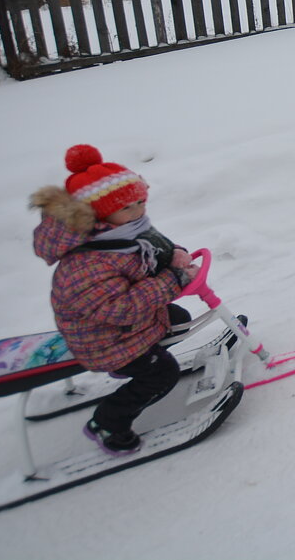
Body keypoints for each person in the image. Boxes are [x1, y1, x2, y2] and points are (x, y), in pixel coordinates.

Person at [30, 144, 197, 455]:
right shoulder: (89, 262)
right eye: (128, 206)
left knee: (179, 318)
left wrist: (171, 258)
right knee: (163, 374)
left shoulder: (123, 231)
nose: (138, 211)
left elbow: (146, 257)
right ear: (98, 213)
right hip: (103, 337)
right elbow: (119, 308)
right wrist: (173, 279)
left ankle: (133, 366)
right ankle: (109, 422)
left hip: (124, 326)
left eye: (140, 201)